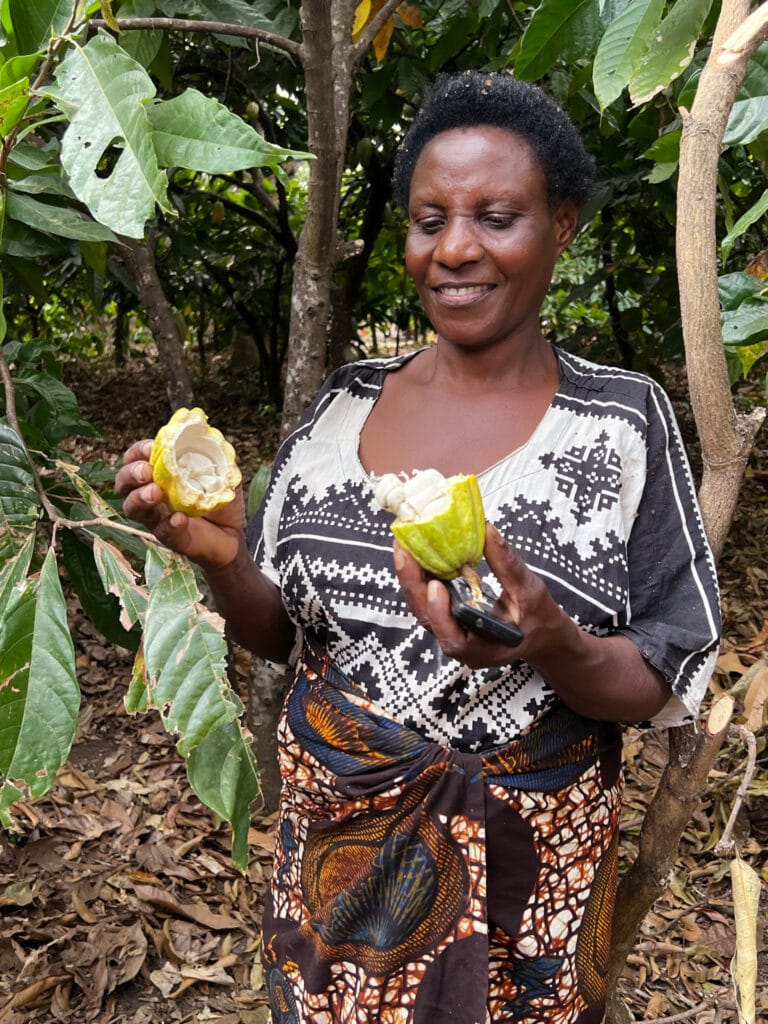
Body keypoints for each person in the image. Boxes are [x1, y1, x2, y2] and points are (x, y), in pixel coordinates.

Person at [117, 70, 721, 1024]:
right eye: (429, 219)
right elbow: (287, 635)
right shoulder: (341, 406)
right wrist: (224, 557)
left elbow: (667, 668)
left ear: (561, 225)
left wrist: (551, 641)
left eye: (496, 216)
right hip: (338, 862)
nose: (456, 249)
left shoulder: (621, 423)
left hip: (532, 888)